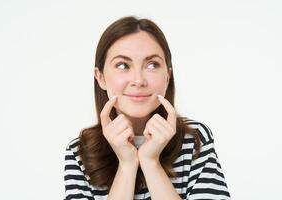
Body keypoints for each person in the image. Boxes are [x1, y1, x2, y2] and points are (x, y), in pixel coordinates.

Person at [64, 16, 230, 200]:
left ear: (167, 76)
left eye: (152, 65)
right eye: (122, 65)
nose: (138, 80)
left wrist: (151, 163)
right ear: (100, 77)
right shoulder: (80, 152)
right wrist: (127, 165)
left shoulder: (195, 139)